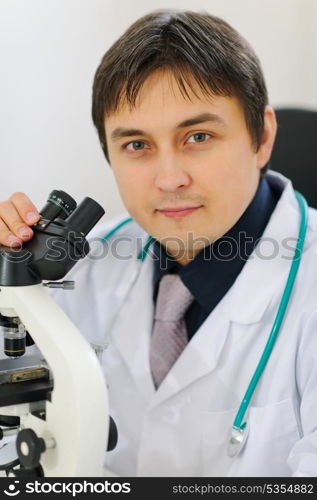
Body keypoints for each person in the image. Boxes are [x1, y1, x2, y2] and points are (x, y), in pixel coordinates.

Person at [1, 9, 317, 477]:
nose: (169, 179)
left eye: (198, 136)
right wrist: (14, 292)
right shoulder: (79, 270)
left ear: (262, 137)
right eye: (136, 145)